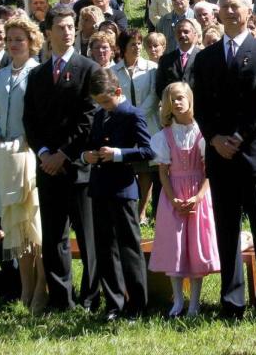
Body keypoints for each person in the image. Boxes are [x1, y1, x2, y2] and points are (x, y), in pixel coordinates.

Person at [191, 0, 256, 317]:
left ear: (248, 10)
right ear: (218, 12)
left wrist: (238, 137)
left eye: (236, 6)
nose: (230, 11)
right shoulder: (206, 57)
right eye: (224, 6)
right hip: (220, 156)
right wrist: (214, 139)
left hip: (255, 154)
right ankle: (232, 302)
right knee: (226, 234)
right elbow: (200, 106)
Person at [23, 7, 101, 311]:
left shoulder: (88, 68)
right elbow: (29, 120)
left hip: (78, 167)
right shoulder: (38, 74)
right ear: (48, 33)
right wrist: (43, 153)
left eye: (71, 26)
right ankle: (61, 299)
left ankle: (91, 298)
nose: (67, 32)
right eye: (61, 27)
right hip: (47, 168)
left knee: (87, 236)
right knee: (54, 236)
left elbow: (88, 118)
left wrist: (63, 154)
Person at [81, 69, 152, 322]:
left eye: (105, 101)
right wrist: (86, 156)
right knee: (105, 247)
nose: (102, 106)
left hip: (123, 189)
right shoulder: (101, 116)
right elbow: (89, 145)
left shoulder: (132, 115)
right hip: (100, 187)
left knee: (128, 247)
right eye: (98, 102)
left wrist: (118, 154)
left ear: (118, 92)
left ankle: (137, 303)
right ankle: (114, 302)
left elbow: (146, 151)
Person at [0, 17, 46, 310]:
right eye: (9, 38)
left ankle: (40, 288)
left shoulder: (38, 72)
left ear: (31, 41)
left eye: (19, 38)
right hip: (6, 156)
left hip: (31, 154)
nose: (12, 43)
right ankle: (25, 288)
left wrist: (26, 139)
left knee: (33, 223)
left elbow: (40, 113)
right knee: (14, 226)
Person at [147, 81, 220, 317]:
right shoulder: (165, 135)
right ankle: (178, 300)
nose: (176, 103)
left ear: (190, 99)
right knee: (175, 245)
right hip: (174, 194)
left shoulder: (201, 132)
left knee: (195, 245)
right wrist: (173, 198)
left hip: (198, 192)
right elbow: (162, 172)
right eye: (171, 99)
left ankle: (195, 302)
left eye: (180, 97)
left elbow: (209, 171)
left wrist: (199, 197)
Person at [113, 30, 160, 225]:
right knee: (128, 169)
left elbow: (154, 94)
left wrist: (138, 114)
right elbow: (116, 98)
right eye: (133, 44)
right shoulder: (113, 71)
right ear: (123, 48)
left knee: (147, 170)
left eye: (139, 43)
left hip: (147, 125)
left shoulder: (152, 68)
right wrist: (128, 116)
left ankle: (142, 212)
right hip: (124, 126)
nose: (138, 47)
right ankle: (129, 211)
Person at [155, 17, 200, 97]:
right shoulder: (165, 60)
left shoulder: (204, 56)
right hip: (173, 106)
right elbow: (160, 87)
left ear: (194, 34)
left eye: (186, 32)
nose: (182, 35)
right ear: (175, 35)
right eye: (179, 32)